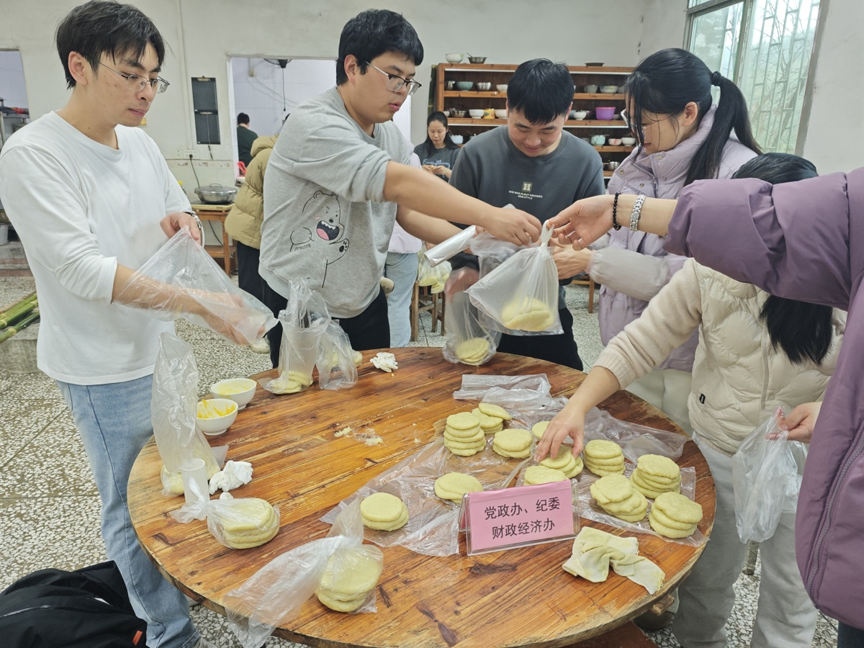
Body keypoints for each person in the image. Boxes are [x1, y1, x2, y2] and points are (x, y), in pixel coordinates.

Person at [0, 3, 255, 646]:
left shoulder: (137, 141)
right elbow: (84, 270)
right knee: (129, 503)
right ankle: (167, 630)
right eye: (131, 74)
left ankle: (173, 599)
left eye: (154, 77)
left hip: (155, 346)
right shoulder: (35, 154)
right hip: (99, 363)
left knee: (171, 483)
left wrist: (184, 225)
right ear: (77, 66)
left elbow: (175, 207)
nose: (146, 91)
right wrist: (201, 304)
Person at [548, 162, 864, 647]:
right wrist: (578, 405)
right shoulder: (710, 267)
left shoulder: (843, 284)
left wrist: (830, 409)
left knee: (792, 594)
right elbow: (643, 340)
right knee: (707, 580)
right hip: (720, 447)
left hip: (805, 460)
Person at [259, 9, 540, 367]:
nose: (402, 91)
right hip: (300, 302)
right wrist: (490, 214)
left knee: (369, 400)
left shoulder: (389, 133)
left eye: (409, 80)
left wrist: (472, 239)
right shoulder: (314, 123)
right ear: (352, 67)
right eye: (393, 76)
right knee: (308, 409)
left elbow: (408, 214)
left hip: (363, 297)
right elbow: (397, 182)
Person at [581, 48, 760, 434]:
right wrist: (590, 248)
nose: (635, 133)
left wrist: (589, 264)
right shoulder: (641, 160)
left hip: (686, 360)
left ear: (689, 113)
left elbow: (686, 281)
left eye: (643, 122)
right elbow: (621, 243)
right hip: (631, 344)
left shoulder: (734, 175)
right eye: (632, 119)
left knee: (676, 462)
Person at [446, 58, 605, 370]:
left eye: (548, 130)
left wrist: (572, 257)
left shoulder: (586, 162)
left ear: (568, 111)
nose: (533, 141)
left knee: (564, 388)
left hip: (544, 309)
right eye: (521, 127)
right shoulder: (476, 154)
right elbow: (452, 228)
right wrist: (463, 268)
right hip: (481, 304)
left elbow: (587, 240)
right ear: (507, 106)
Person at [224, 133, 277, 354]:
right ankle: (252, 334)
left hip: (257, 228)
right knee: (252, 285)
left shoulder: (271, 152)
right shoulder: (270, 157)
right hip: (251, 229)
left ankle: (259, 329)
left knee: (261, 283)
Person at [414, 111, 461, 181]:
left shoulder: (456, 152)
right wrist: (420, 169)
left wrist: (446, 172)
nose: (435, 135)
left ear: (447, 129)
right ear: (427, 129)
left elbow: (461, 180)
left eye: (440, 131)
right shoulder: (419, 150)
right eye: (432, 131)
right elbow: (410, 176)